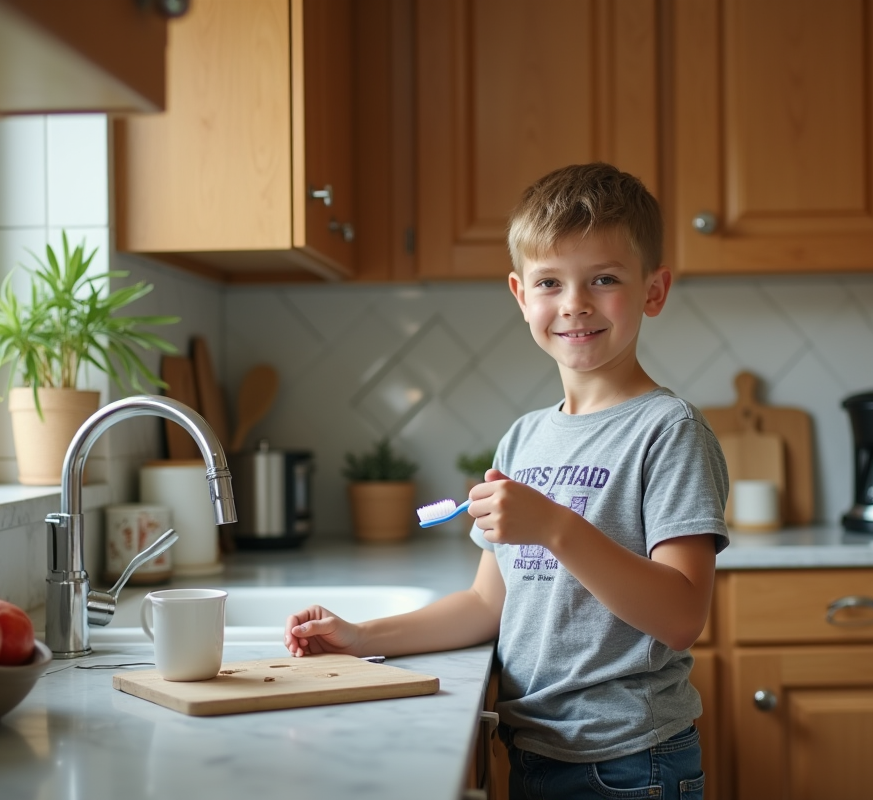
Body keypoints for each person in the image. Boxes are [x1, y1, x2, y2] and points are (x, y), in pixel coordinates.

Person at [284, 162, 730, 800]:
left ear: (653, 291)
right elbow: (486, 604)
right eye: (550, 282)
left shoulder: (668, 430)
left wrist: (554, 528)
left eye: (604, 279)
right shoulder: (523, 439)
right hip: (535, 751)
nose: (574, 303)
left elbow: (682, 616)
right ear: (522, 296)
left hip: (629, 760)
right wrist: (362, 637)